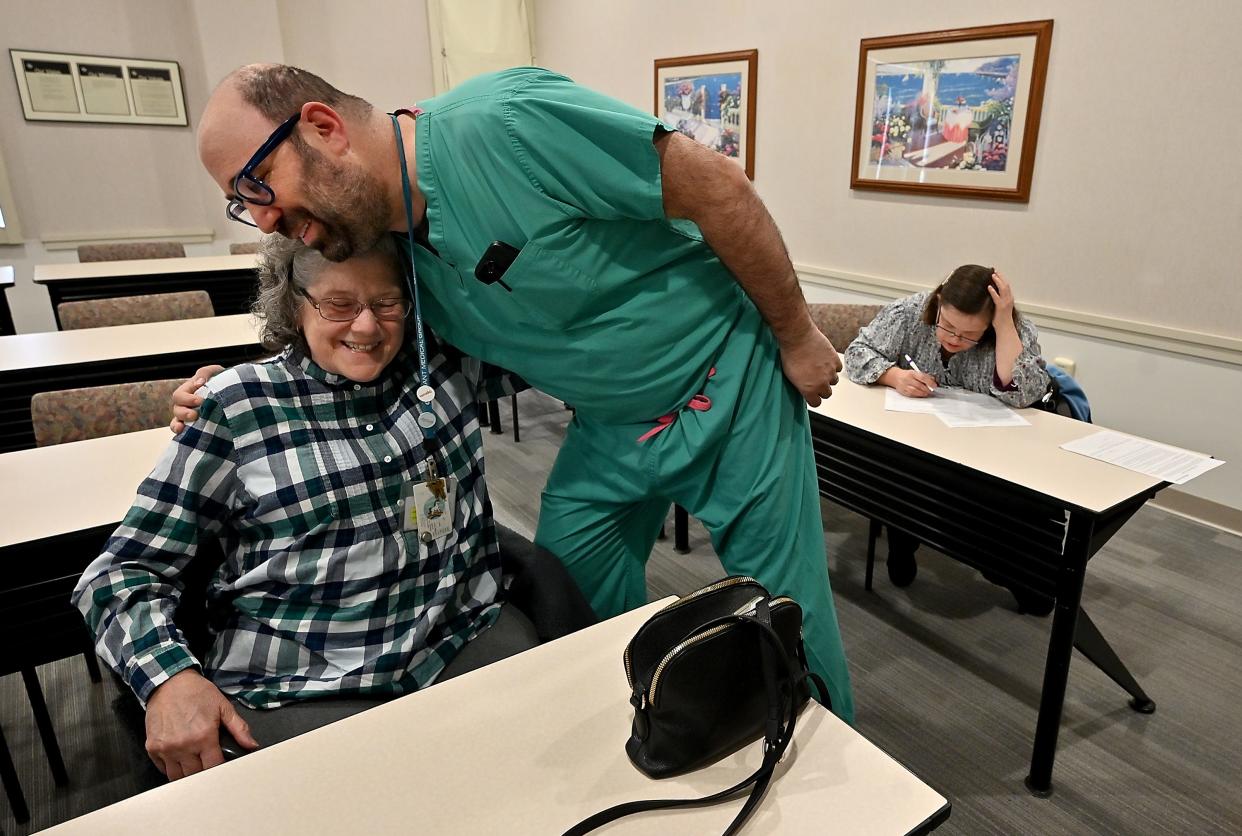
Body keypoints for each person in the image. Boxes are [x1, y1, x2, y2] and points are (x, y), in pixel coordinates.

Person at [194, 63, 854, 721]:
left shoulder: (507, 123)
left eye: (258, 183)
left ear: (323, 126)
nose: (265, 218)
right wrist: (242, 383)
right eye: (242, 203)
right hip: (610, 419)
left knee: (785, 619)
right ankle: (643, 730)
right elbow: (353, 335)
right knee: (565, 589)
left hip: (729, 385)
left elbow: (718, 189)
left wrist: (796, 335)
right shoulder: (385, 245)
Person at [73, 235, 554, 781]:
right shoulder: (239, 407)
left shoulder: (444, 369)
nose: (367, 326)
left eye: (387, 302)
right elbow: (119, 573)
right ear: (293, 302)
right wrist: (168, 679)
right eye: (338, 305)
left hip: (452, 642)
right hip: (301, 682)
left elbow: (553, 330)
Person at [843, 265, 1053, 612]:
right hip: (916, 445)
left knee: (996, 513)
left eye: (971, 334)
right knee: (899, 474)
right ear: (938, 303)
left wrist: (1003, 325)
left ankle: (1016, 572)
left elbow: (1025, 393)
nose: (954, 340)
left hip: (987, 453)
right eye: (948, 326)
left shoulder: (1012, 330)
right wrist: (894, 376)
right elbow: (857, 353)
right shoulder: (909, 313)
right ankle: (903, 536)